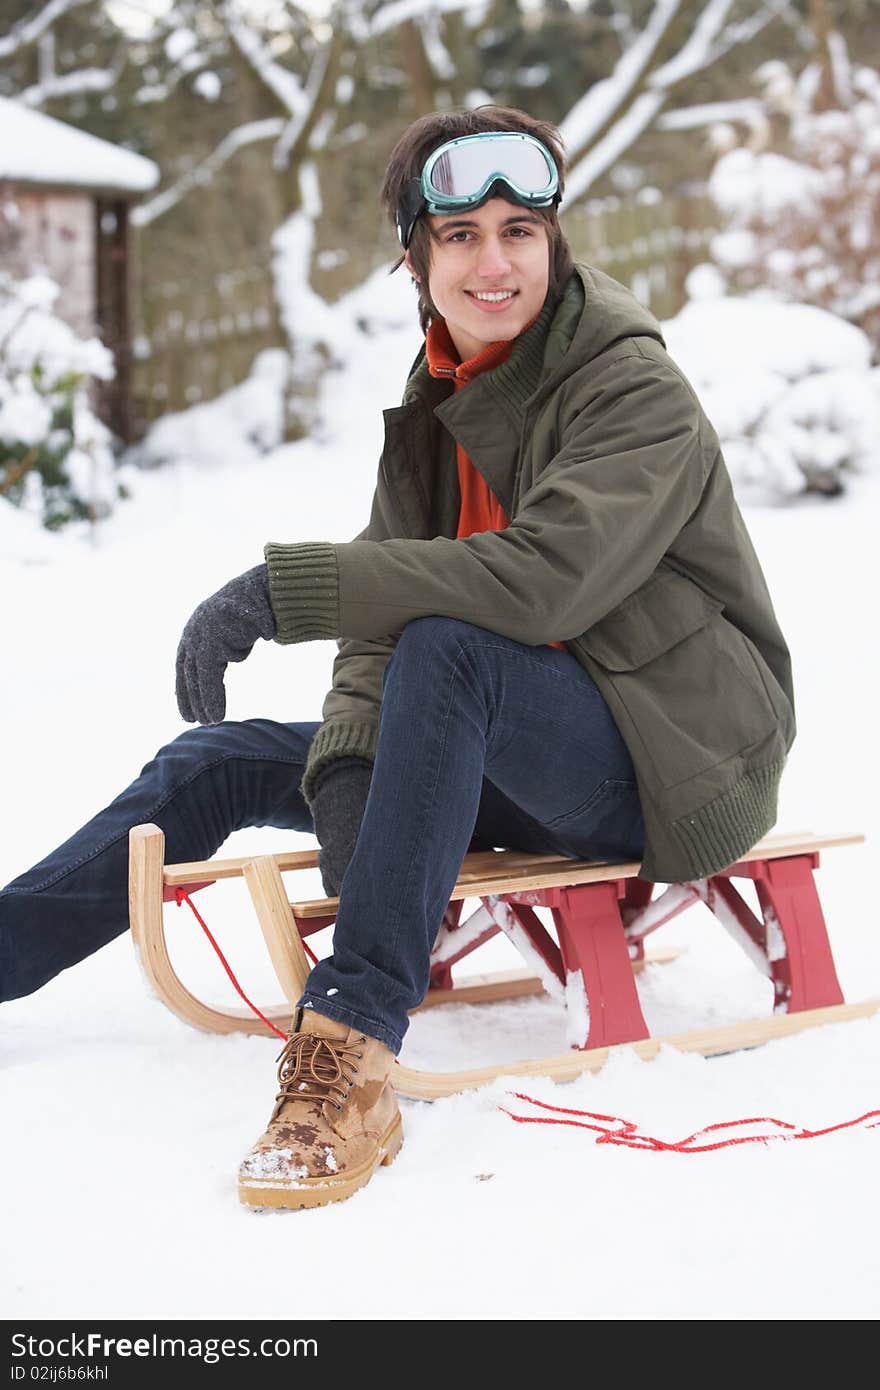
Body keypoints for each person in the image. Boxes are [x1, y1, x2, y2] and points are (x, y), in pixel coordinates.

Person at [0, 105, 796, 1210]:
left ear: (556, 243)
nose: (493, 259)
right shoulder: (438, 403)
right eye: (459, 234)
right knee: (216, 760)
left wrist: (287, 590)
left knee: (452, 645)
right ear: (414, 259)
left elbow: (537, 583)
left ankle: (350, 1051)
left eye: (520, 229)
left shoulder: (629, 387)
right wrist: (350, 770)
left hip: (667, 752)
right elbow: (386, 627)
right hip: (503, 738)